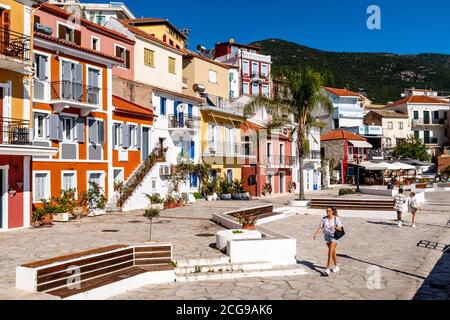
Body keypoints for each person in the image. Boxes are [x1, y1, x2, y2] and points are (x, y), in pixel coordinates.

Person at [313, 206, 344, 276]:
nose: (327, 212)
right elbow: (321, 227)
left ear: (332, 211)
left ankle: (327, 269)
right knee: (333, 252)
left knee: (330, 252)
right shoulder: (324, 218)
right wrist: (316, 233)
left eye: (329, 211)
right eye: (326, 211)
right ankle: (337, 266)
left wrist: (335, 227)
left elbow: (340, 229)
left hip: (334, 237)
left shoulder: (336, 218)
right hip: (326, 237)